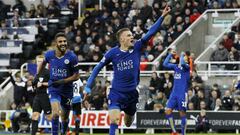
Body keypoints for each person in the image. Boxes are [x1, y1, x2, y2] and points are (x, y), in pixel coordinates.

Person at [84, 5, 171, 135]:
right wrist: (88, 87)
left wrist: (162, 17)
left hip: (132, 94)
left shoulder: (137, 47)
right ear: (122, 39)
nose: (132, 37)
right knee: (114, 120)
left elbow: (151, 32)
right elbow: (97, 68)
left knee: (128, 122)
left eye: (132, 35)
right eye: (129, 35)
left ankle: (128, 115)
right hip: (116, 93)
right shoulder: (112, 53)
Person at [34, 32, 80, 135]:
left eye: (64, 41)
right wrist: (37, 76)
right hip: (54, 89)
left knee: (64, 118)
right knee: (55, 114)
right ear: (56, 43)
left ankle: (63, 132)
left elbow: (77, 76)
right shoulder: (49, 54)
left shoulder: (72, 57)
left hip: (67, 90)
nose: (63, 43)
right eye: (60, 42)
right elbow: (43, 63)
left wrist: (63, 81)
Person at [163, 50, 191, 135]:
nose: (184, 58)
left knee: (182, 113)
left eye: (186, 57)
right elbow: (165, 64)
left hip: (182, 94)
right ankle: (174, 131)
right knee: (168, 110)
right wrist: (170, 55)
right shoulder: (176, 67)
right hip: (174, 93)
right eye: (184, 56)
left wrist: (182, 55)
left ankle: (183, 133)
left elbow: (182, 63)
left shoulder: (187, 67)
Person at [31, 55, 52, 135]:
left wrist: (43, 83)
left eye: (41, 61)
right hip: (37, 96)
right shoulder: (37, 73)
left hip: (45, 96)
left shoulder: (47, 72)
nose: (39, 63)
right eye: (38, 61)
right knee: (34, 115)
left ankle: (61, 130)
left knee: (49, 117)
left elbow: (52, 82)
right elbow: (35, 84)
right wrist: (33, 85)